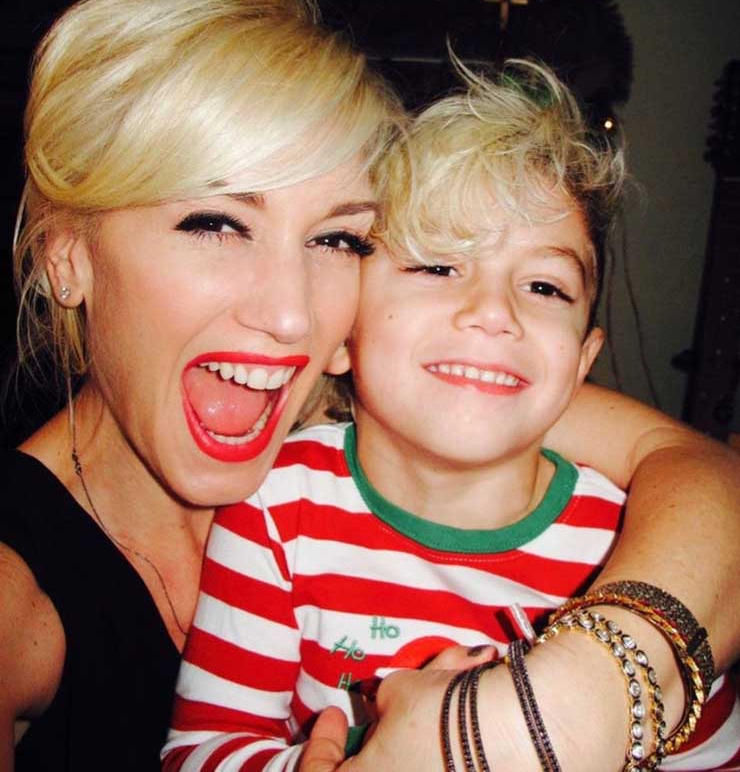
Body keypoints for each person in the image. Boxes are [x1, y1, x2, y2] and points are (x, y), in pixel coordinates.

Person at [0, 0, 738, 771]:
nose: (293, 315)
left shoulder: (401, 413)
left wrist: (582, 696)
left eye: (336, 240)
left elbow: (701, 473)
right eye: (215, 223)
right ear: (67, 256)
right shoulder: (18, 593)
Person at [163, 61, 740, 771]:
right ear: (344, 330)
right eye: (438, 267)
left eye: (544, 286)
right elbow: (203, 748)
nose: (494, 312)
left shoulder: (633, 542)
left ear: (581, 362)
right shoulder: (274, 510)